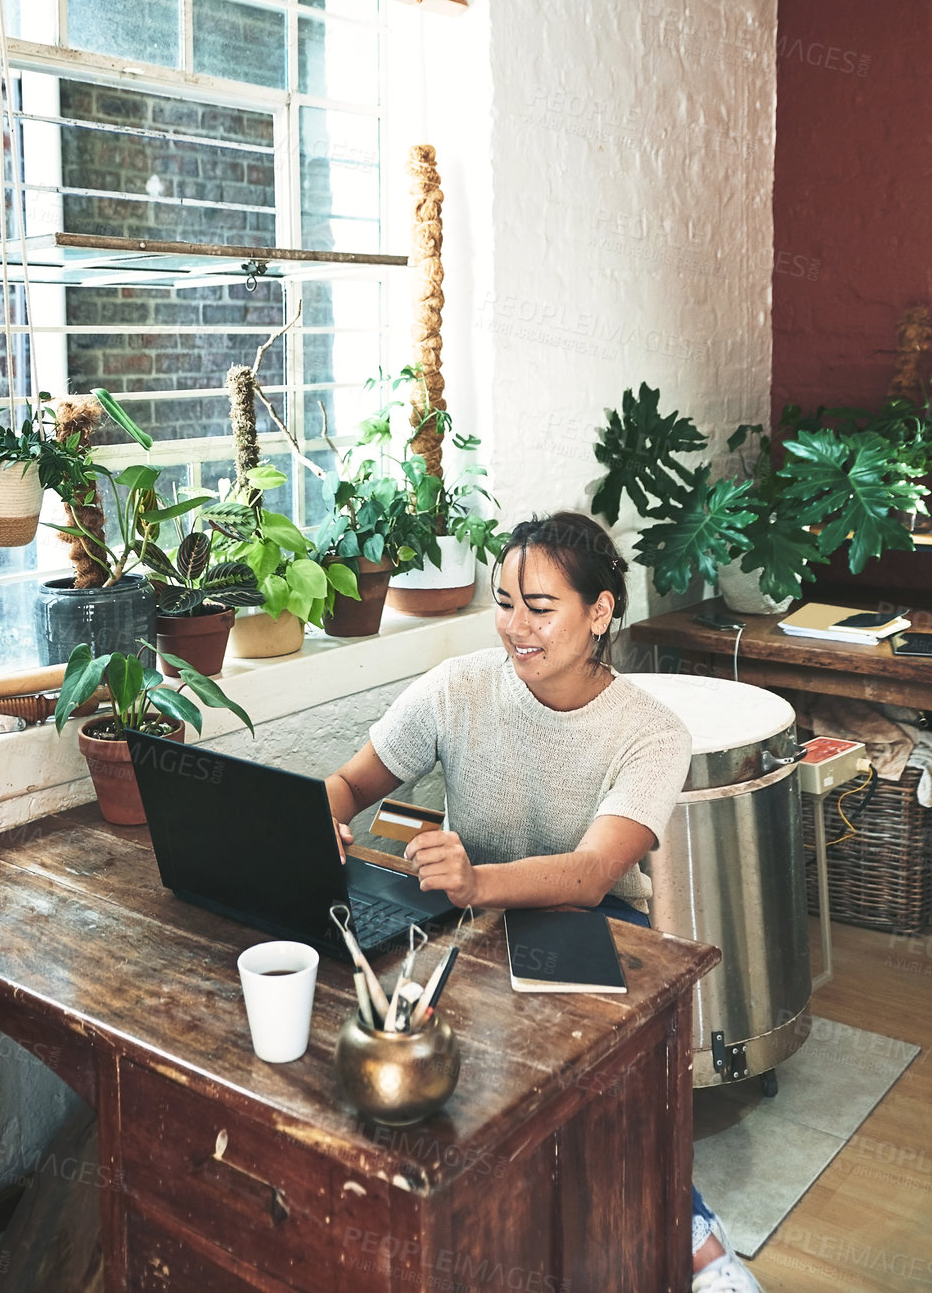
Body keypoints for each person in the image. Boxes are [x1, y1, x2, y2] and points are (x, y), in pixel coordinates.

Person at [325, 510, 763, 1293]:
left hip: (592, 926)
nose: (513, 628)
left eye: (539, 607)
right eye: (502, 603)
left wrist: (477, 881)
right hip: (467, 923)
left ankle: (696, 1243)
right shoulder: (456, 688)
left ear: (598, 613)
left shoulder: (649, 732)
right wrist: (316, 816)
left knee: (591, 1094)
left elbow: (594, 872)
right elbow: (353, 784)